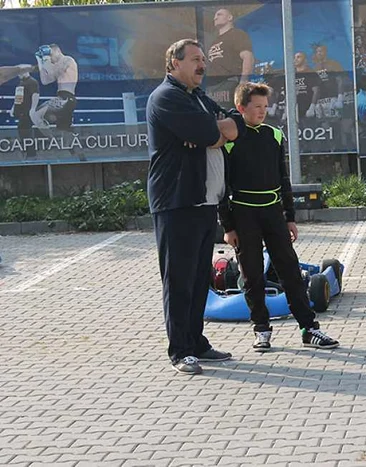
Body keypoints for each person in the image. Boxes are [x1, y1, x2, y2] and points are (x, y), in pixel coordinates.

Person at [146, 38, 246, 375]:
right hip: (177, 202)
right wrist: (214, 132)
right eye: (194, 59)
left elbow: (235, 124)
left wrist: (216, 131)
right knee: (179, 279)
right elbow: (209, 132)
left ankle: (197, 342)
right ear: (174, 62)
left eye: (204, 59)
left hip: (204, 203)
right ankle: (180, 350)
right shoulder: (166, 97)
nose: (202, 65)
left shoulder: (197, 97)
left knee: (200, 276)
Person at [218, 82, 339, 352]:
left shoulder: (274, 135)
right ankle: (261, 330)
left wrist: (290, 217)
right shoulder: (228, 142)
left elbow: (284, 179)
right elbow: (220, 188)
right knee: (252, 276)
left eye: (265, 106)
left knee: (291, 272)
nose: (262, 111)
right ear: (241, 108)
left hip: (273, 213)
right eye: (256, 107)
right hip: (243, 214)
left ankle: (309, 329)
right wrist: (227, 226)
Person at [206, 8, 254, 108]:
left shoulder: (237, 34)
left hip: (229, 83)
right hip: (211, 87)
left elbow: (247, 57)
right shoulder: (213, 41)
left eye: (219, 14)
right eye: (214, 16)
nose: (215, 18)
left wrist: (243, 81)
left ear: (230, 17)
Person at [32, 44, 78, 133]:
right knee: (62, 130)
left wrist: (46, 59)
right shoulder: (56, 65)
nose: (51, 58)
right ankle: (55, 141)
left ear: (58, 51)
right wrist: (40, 61)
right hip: (62, 98)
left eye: (51, 55)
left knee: (37, 115)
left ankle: (52, 139)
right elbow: (45, 81)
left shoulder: (68, 60)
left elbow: (52, 74)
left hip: (66, 98)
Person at [10, 67, 39, 160]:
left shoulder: (32, 82)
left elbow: (35, 95)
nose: (18, 75)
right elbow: (18, 98)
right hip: (21, 112)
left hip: (27, 112)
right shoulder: (21, 83)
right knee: (23, 131)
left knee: (26, 131)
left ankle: (31, 154)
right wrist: (13, 108)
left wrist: (33, 109)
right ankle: (28, 152)